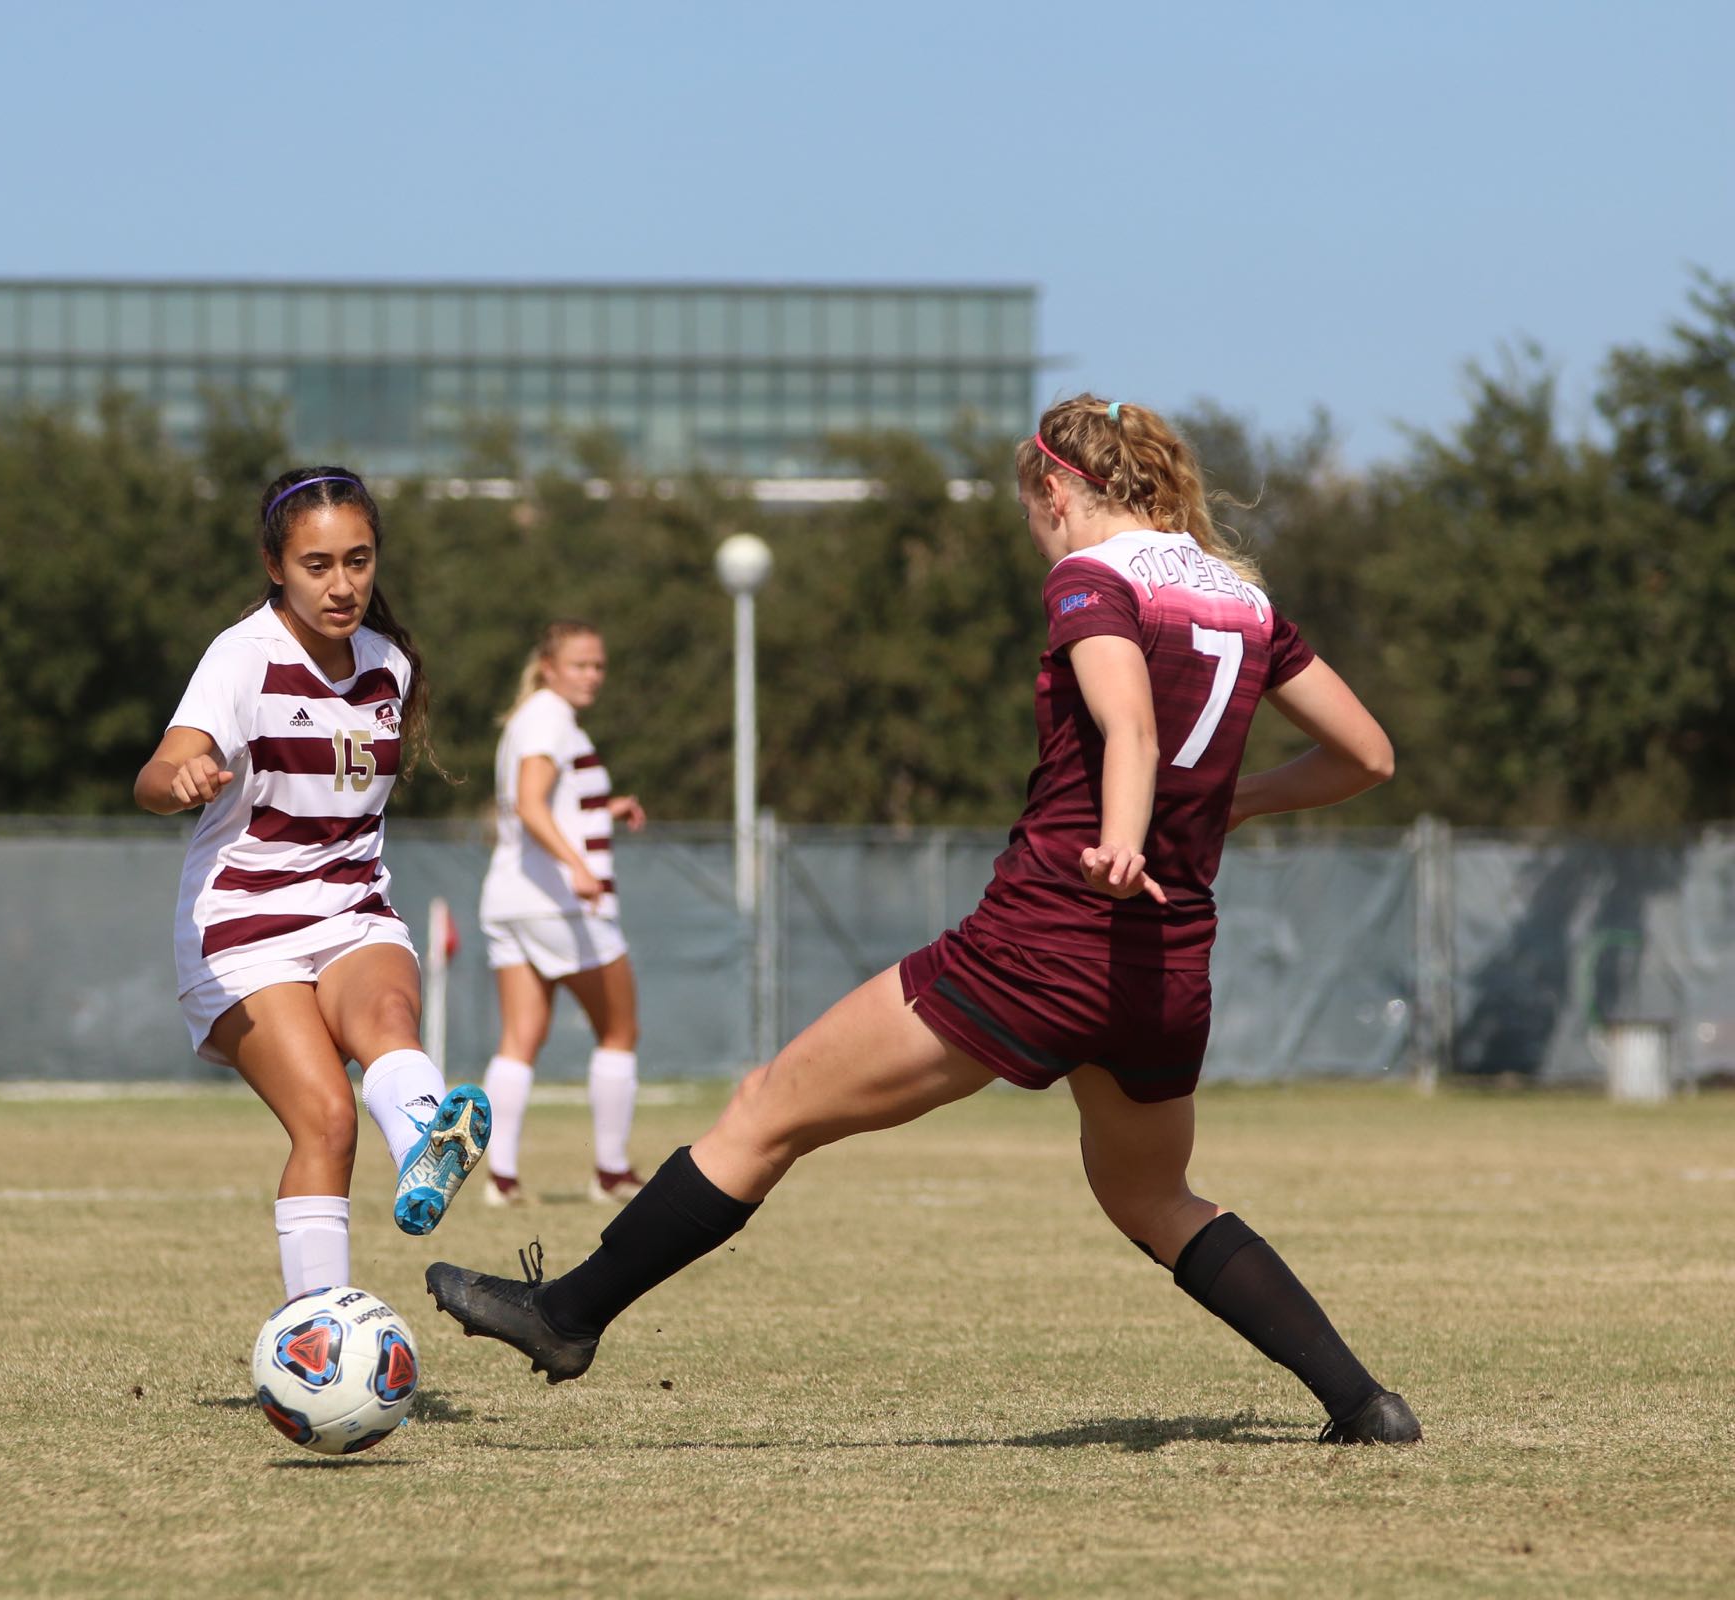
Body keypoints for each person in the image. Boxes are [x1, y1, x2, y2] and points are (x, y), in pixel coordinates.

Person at [428, 395, 1423, 1446]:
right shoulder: (1244, 601)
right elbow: (1368, 756)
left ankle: (566, 1316)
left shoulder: (1092, 575)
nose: (1036, 531)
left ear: (1054, 489)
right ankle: (1363, 1403)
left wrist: (1125, 835)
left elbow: (1127, 721)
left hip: (1049, 939)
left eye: (1031, 510)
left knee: (766, 1109)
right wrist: (1225, 801)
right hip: (1166, 963)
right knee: (1155, 1197)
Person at [136, 467, 491, 1305]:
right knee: (327, 1117)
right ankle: (318, 1340)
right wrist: (179, 780)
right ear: (274, 564)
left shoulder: (388, 667)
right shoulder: (242, 657)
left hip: (354, 907)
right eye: (318, 565)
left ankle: (423, 1147)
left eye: (359, 561)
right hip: (245, 926)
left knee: (389, 1020)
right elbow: (154, 773)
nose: (343, 585)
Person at [477, 621, 648, 1207]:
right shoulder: (550, 716)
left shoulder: (533, 716)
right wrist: (577, 864)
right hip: (560, 903)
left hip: (509, 897)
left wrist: (608, 806)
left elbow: (552, 799)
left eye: (598, 665)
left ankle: (501, 1179)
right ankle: (612, 1172)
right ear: (549, 666)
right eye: (580, 664)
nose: (592, 675)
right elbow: (529, 802)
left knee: (521, 1037)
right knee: (620, 1030)